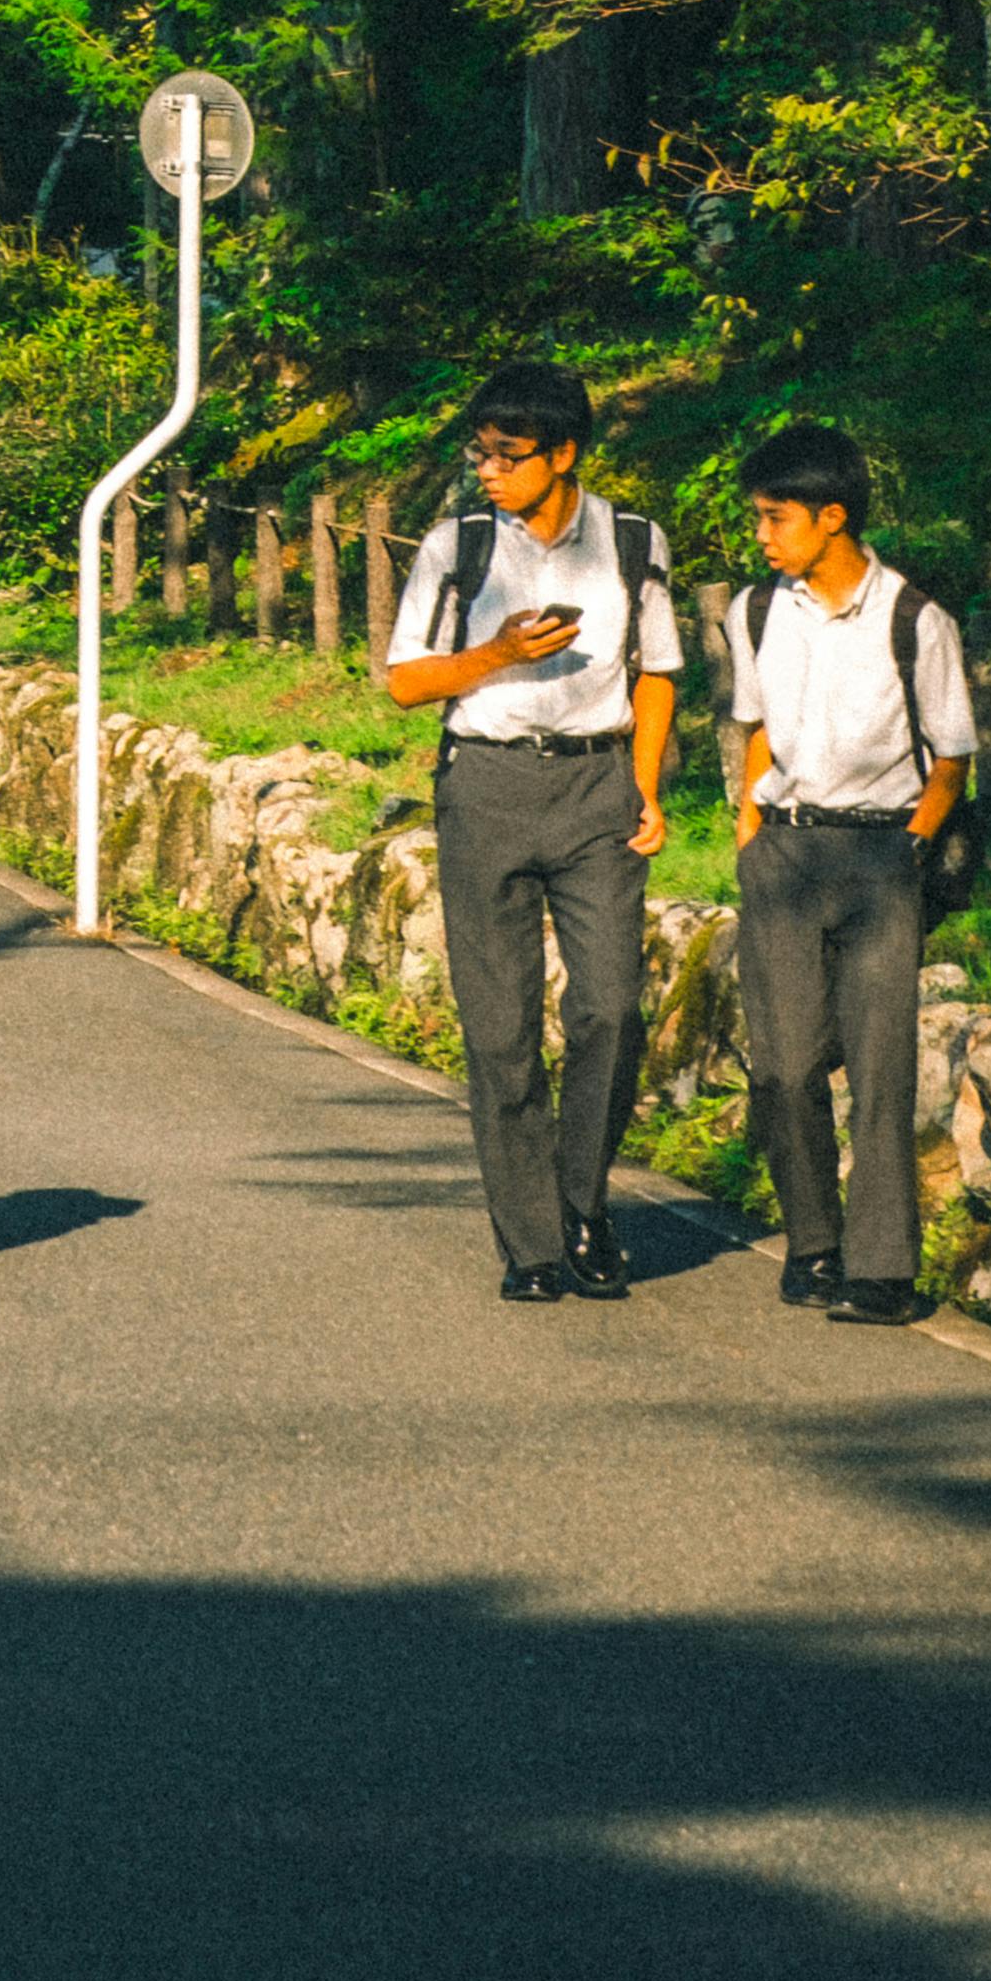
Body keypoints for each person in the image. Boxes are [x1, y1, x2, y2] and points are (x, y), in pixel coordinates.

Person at [384, 358, 684, 1302]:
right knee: (500, 1029)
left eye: (508, 455)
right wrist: (498, 652)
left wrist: (645, 788)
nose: (489, 470)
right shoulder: (457, 547)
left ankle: (583, 1201)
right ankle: (533, 1244)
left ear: (565, 454)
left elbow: (659, 671)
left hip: (598, 785)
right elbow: (404, 682)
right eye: (480, 453)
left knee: (610, 1007)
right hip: (487, 786)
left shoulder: (633, 542)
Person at [723, 424, 973, 1326]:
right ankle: (814, 1244)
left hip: (879, 857)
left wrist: (910, 844)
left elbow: (951, 756)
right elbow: (752, 728)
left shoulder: (917, 620)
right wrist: (751, 828)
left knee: (880, 1067)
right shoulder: (753, 612)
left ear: (833, 519)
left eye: (775, 517)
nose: (762, 534)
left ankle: (882, 1271)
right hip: (783, 853)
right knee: (784, 1066)